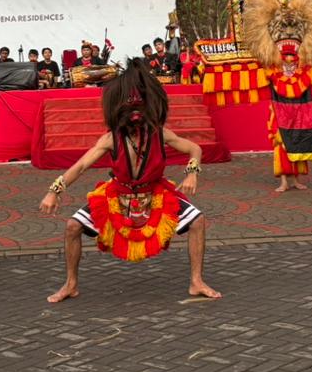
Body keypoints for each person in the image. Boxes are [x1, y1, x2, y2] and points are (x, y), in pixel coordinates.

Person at [39, 62, 219, 302]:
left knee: (198, 221)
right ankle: (71, 284)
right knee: (73, 226)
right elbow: (81, 165)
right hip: (118, 195)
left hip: (154, 193)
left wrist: (192, 172)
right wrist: (54, 191)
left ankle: (196, 281)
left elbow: (194, 148)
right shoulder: (111, 138)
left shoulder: (159, 132)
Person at [267, 40, 312, 194]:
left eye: (292, 60)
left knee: (301, 143)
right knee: (281, 146)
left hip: (301, 114)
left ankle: (296, 180)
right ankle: (283, 181)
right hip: (280, 113)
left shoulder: (305, 72)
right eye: (285, 60)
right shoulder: (272, 72)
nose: (289, 64)